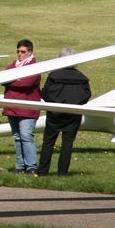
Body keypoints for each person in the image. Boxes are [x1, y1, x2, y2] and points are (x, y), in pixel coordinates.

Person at [37, 47, 91, 177]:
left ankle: (43, 172)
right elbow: (86, 95)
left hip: (55, 113)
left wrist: (55, 104)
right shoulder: (82, 78)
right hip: (73, 114)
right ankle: (62, 173)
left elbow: (45, 93)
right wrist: (75, 104)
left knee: (48, 142)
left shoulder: (54, 75)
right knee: (67, 143)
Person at [2, 39, 41, 174]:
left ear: (30, 52)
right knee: (17, 137)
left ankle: (31, 166)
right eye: (18, 51)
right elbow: (3, 78)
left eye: (23, 52)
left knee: (26, 136)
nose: (19, 54)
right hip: (12, 106)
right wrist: (15, 79)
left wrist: (11, 81)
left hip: (27, 107)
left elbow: (26, 84)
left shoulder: (35, 67)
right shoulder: (13, 65)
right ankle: (20, 166)